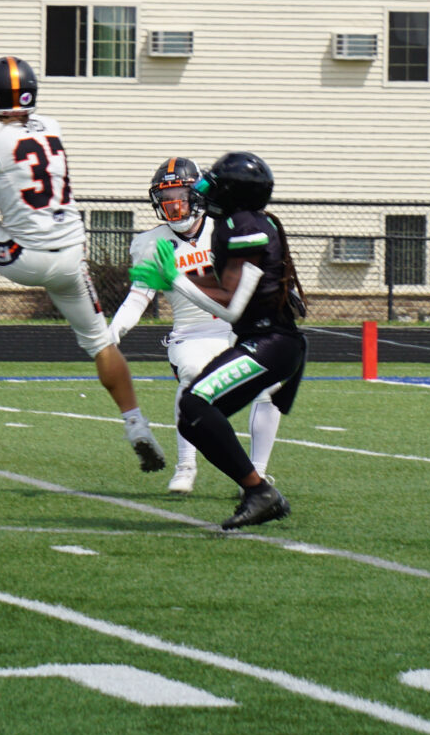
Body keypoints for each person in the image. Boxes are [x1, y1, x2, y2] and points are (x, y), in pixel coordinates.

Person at [0, 54, 165, 474]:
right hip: (73, 255)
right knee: (100, 344)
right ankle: (137, 425)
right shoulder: (51, 125)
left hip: (28, 259)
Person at [129, 151, 307, 529]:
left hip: (270, 343)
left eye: (212, 182)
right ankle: (256, 490)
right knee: (195, 416)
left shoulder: (244, 227)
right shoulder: (232, 223)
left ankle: (259, 488)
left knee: (195, 408)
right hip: (259, 339)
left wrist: (174, 278)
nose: (202, 190)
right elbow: (222, 290)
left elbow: (232, 304)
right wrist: (178, 278)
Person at [108, 156, 282, 495]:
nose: (174, 206)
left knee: (268, 387)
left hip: (237, 329)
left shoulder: (228, 227)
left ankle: (258, 474)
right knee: (193, 375)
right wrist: (112, 334)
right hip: (192, 332)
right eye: (167, 200)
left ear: (197, 195)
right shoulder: (152, 243)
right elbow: (139, 297)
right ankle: (186, 465)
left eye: (181, 197)